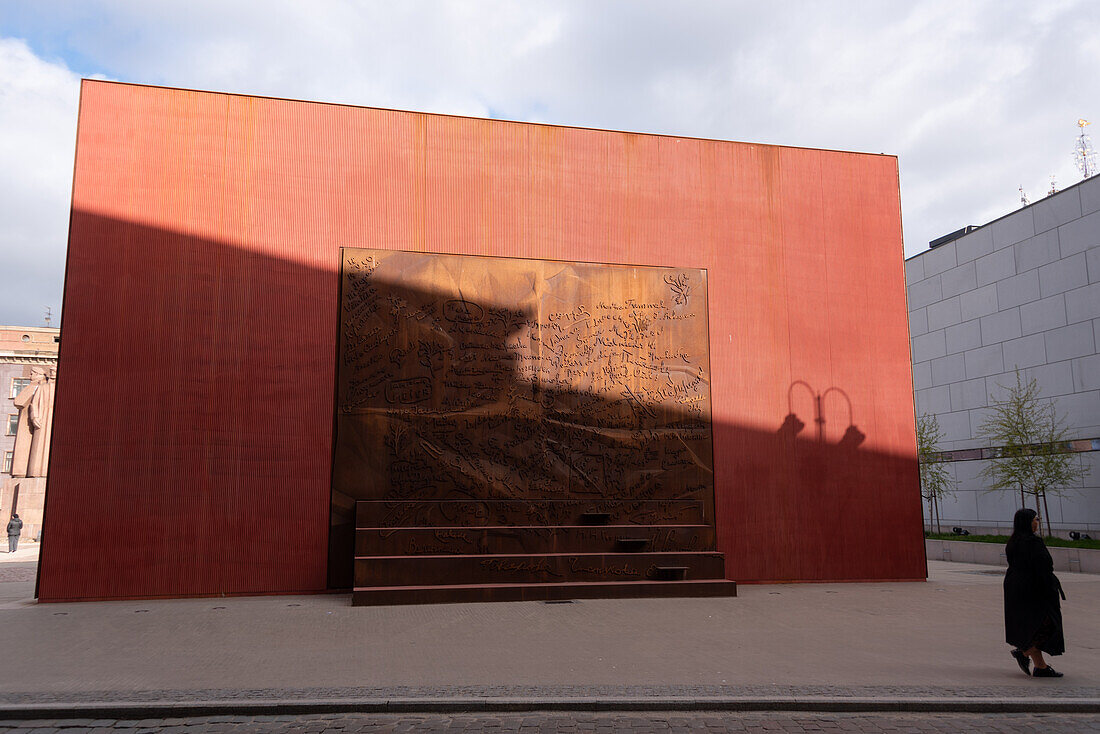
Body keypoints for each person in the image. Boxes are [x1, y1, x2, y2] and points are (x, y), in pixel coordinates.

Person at [1004, 508, 1066, 678]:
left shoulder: (1013, 541)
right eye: (1035, 519)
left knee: (1032, 626)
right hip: (1035, 590)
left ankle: (1040, 666)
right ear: (1028, 522)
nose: (1037, 522)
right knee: (1048, 624)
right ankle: (1024, 652)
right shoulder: (1032, 543)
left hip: (1016, 588)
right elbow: (1043, 566)